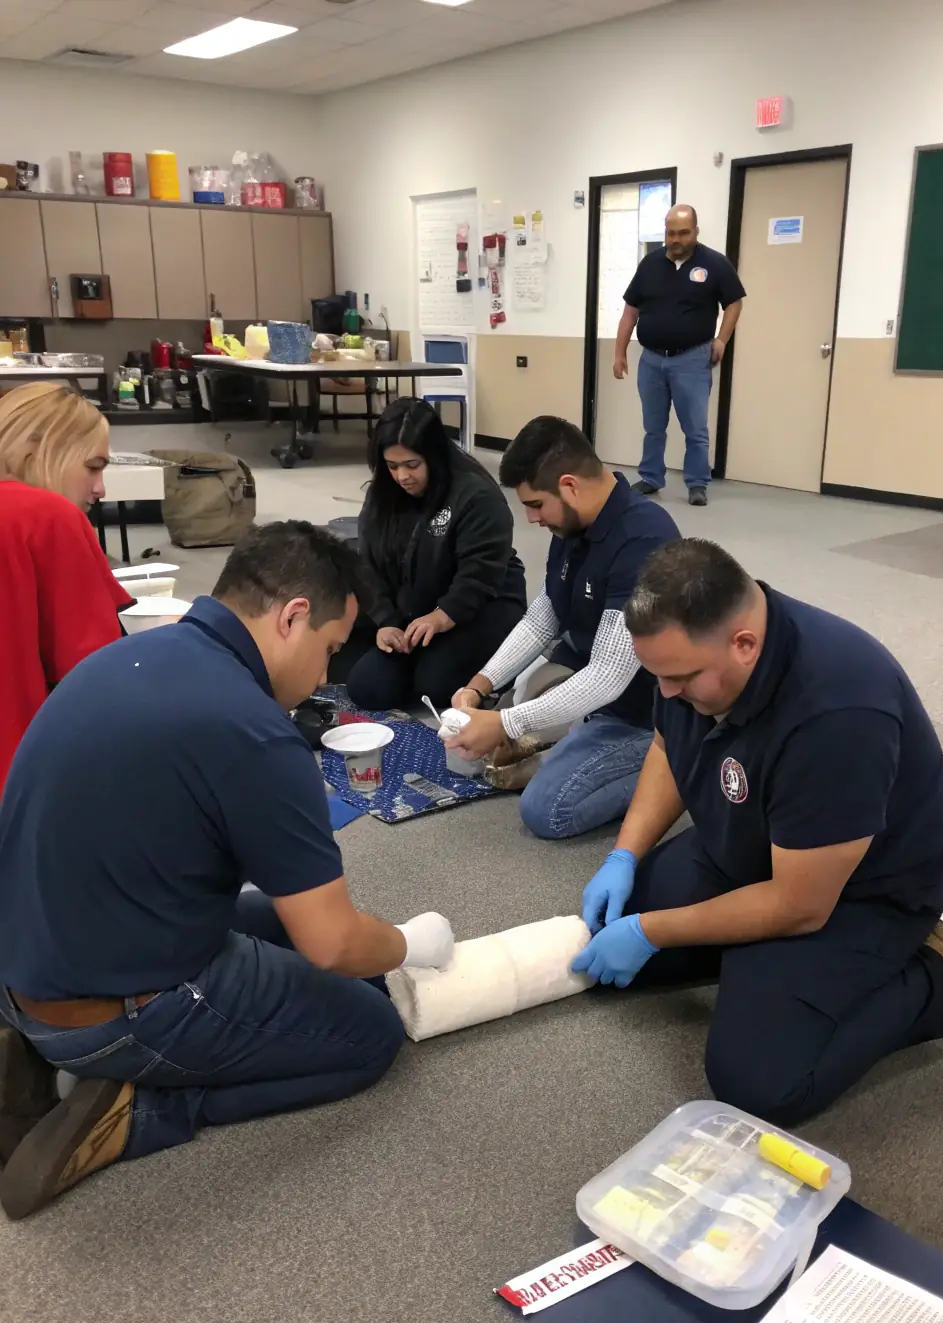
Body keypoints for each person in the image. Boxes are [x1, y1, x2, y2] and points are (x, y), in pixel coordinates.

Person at [0, 521, 455, 1220]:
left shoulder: (130, 656)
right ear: (292, 617)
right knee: (369, 1032)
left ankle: (44, 1046)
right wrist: (409, 943)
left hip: (29, 966)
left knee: (287, 929)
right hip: (115, 1008)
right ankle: (137, 1111)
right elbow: (330, 939)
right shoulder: (255, 730)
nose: (329, 677)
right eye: (331, 650)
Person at [571, 539, 943, 1125]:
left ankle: (938, 960)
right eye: (658, 676)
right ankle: (758, 963)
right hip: (752, 842)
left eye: (678, 678)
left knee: (758, 1082)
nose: (667, 693)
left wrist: (656, 929)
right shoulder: (689, 658)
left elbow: (800, 906)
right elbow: (667, 745)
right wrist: (624, 856)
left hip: (857, 894)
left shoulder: (838, 711)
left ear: (745, 644)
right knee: (606, 941)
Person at [446, 416, 679, 840]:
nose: (532, 519)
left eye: (535, 504)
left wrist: (505, 725)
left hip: (649, 717)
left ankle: (678, 772)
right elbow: (542, 619)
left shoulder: (644, 538)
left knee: (546, 809)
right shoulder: (573, 524)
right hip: (602, 698)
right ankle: (568, 743)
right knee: (515, 708)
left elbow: (609, 675)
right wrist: (480, 685)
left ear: (569, 485)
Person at [328, 397, 526, 710]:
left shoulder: (475, 494)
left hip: (479, 604)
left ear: (433, 456)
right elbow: (366, 563)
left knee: (436, 684)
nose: (402, 477)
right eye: (392, 466)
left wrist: (442, 616)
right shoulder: (383, 493)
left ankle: (497, 659)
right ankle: (418, 659)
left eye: (412, 465)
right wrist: (386, 621)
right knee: (369, 688)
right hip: (414, 606)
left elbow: (480, 572)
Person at [0, 382, 133, 794]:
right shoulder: (45, 516)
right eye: (93, 467)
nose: (100, 490)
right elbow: (94, 675)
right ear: (35, 451)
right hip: (23, 782)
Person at [613, 205, 745, 504]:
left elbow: (735, 302)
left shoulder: (714, 263)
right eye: (671, 233)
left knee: (695, 428)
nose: (676, 239)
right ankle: (650, 477)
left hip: (693, 359)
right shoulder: (650, 264)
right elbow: (630, 311)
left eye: (683, 233)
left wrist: (722, 339)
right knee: (653, 425)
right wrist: (619, 352)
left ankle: (697, 483)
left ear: (695, 232)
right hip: (651, 359)